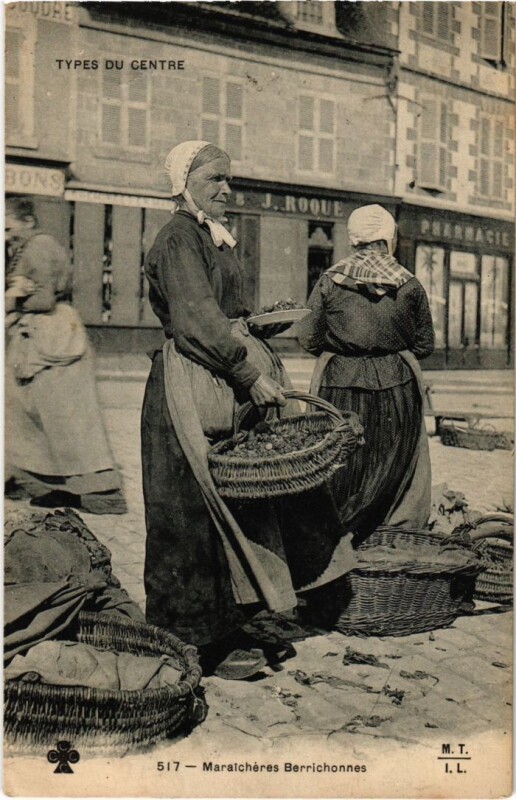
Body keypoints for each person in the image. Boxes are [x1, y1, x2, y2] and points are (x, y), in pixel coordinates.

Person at [142, 141, 357, 678]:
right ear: (184, 182)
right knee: (193, 511)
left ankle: (232, 622)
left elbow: (224, 313)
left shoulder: (211, 238)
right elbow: (195, 321)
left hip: (221, 375)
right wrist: (245, 371)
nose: (225, 189)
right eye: (214, 178)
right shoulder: (176, 241)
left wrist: (258, 327)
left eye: (228, 179)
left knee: (236, 505)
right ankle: (198, 640)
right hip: (189, 386)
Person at [296, 204, 435, 542]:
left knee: (341, 466)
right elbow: (425, 344)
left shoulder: (329, 280)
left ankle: (339, 542)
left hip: (339, 385)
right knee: (391, 469)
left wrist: (344, 347)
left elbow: (307, 337)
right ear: (388, 240)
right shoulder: (409, 284)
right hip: (397, 387)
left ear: (354, 241)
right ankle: (386, 542)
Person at [5, 196, 126, 515]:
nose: (5, 232)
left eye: (8, 224)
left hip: (50, 336)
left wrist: (13, 300)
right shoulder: (30, 246)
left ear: (28, 222)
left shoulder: (38, 247)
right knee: (39, 415)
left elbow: (43, 299)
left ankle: (101, 491)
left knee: (65, 420)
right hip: (46, 336)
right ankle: (44, 482)